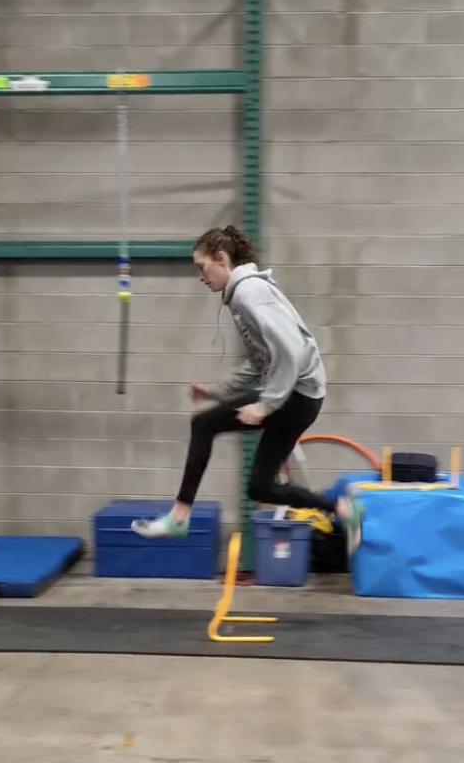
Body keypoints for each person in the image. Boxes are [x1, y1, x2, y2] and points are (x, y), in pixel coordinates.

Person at [131, 225, 364, 552]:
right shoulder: (244, 294)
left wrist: (265, 406)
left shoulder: (248, 293)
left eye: (202, 267)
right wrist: (218, 390)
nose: (200, 276)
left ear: (222, 259)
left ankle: (179, 516)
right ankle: (340, 508)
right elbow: (261, 360)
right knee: (260, 487)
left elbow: (291, 350)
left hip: (296, 396)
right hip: (298, 394)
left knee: (203, 424)